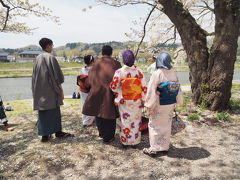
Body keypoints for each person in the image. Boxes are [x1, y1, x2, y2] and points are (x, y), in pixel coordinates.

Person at [32, 38, 74, 142]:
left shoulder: (37, 58)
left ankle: (45, 135)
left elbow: (34, 76)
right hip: (50, 90)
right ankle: (58, 132)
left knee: (43, 112)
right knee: (54, 110)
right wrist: (61, 90)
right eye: (52, 45)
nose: (52, 47)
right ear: (48, 46)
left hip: (39, 89)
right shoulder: (50, 57)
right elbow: (57, 77)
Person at [143, 52, 183, 156]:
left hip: (158, 103)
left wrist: (148, 104)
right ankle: (164, 147)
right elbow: (178, 88)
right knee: (166, 124)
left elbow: (151, 89)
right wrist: (178, 100)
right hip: (170, 103)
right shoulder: (173, 73)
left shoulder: (157, 73)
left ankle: (154, 148)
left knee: (154, 125)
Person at [82, 45, 121, 143]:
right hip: (111, 91)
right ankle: (109, 136)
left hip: (96, 90)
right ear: (111, 53)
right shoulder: (116, 63)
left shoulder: (95, 64)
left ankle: (102, 133)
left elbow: (90, 78)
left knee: (98, 112)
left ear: (102, 53)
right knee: (110, 113)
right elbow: (120, 78)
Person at [110, 50, 147, 148]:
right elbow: (144, 86)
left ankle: (125, 142)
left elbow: (113, 87)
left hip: (124, 100)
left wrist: (120, 89)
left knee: (125, 120)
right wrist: (144, 99)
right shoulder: (139, 71)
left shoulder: (119, 72)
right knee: (136, 120)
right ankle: (135, 142)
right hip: (136, 100)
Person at [77, 55, 95, 127]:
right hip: (91, 90)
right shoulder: (94, 69)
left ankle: (85, 120)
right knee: (92, 105)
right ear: (92, 61)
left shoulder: (82, 69)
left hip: (83, 90)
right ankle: (88, 122)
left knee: (84, 105)